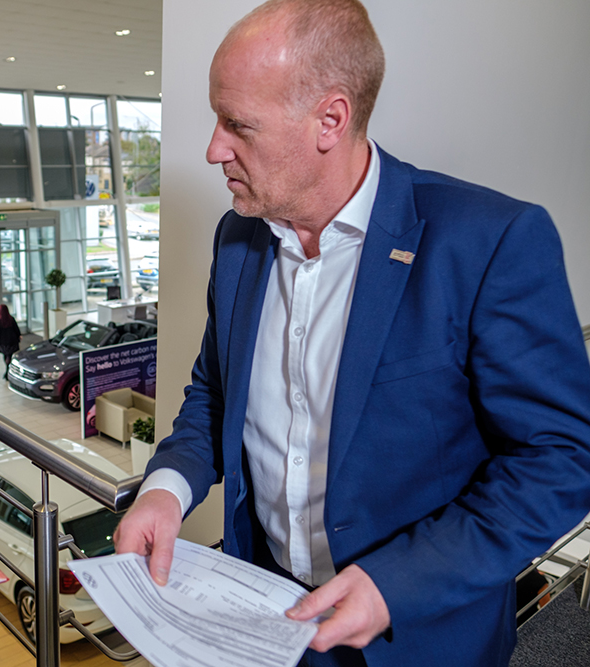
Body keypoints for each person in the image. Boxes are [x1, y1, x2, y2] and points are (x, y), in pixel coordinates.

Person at [113, 2, 590, 666]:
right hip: (269, 620)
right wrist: (166, 488)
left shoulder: (488, 242)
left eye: (236, 124)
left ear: (330, 120)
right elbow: (214, 394)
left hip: (420, 638)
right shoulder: (238, 239)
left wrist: (398, 583)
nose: (214, 148)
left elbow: (562, 456)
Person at [0, 303, 22, 379]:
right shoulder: (11, 319)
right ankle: (8, 370)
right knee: (10, 356)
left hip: (3, 342)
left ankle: (7, 369)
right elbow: (16, 329)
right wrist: (19, 336)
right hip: (12, 341)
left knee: (5, 355)